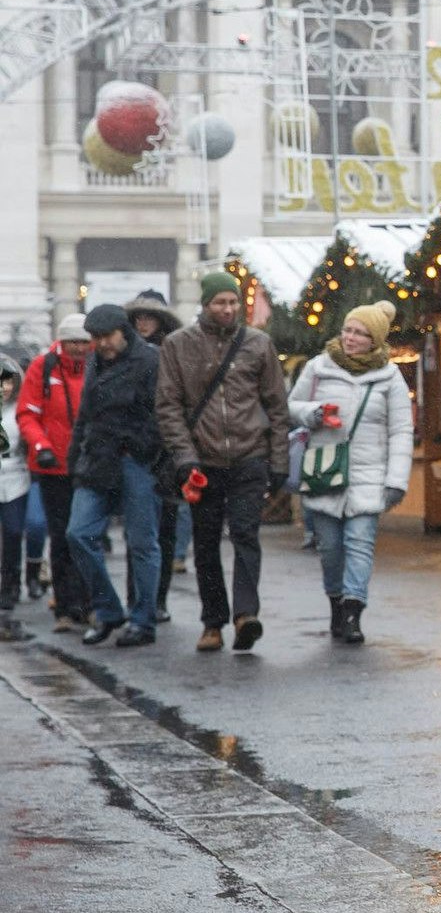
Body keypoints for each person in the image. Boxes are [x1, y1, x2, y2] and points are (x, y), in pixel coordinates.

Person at [157, 271, 292, 654]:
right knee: (206, 542)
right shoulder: (177, 345)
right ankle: (212, 621)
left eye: (233, 302)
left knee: (247, 534)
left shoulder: (258, 345)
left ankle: (245, 615)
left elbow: (276, 407)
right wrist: (185, 459)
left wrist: (278, 461)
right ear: (205, 304)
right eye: (221, 303)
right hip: (203, 460)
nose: (229, 309)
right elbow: (168, 407)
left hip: (250, 455)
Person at [286, 301, 413, 645]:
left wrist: (395, 481)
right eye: (348, 330)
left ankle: (354, 611)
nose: (351, 338)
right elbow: (291, 407)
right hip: (325, 470)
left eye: (360, 333)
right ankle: (335, 604)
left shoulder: (390, 377)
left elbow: (401, 431)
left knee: (360, 544)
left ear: (375, 340)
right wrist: (314, 413)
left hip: (369, 476)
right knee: (330, 549)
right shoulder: (318, 367)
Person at [64, 305, 169, 647]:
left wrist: (141, 447)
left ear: (124, 332)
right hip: (97, 459)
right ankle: (109, 609)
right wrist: (75, 456)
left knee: (142, 543)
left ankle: (143, 620)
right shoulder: (96, 361)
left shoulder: (150, 361)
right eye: (96, 338)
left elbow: (162, 413)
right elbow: (85, 414)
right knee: (78, 533)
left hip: (134, 460)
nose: (101, 344)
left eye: (106, 336)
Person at [19, 314, 92, 632]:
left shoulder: (96, 366)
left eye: (83, 342)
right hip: (53, 467)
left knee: (87, 536)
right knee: (61, 536)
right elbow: (27, 413)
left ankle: (89, 603)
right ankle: (65, 607)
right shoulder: (42, 367)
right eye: (73, 341)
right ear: (62, 342)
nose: (78, 348)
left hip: (88, 467)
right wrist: (41, 446)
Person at [124, 288, 183, 620]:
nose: (144, 323)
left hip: (169, 450)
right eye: (139, 317)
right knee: (139, 529)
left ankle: (158, 598)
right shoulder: (123, 354)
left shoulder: (174, 353)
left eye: (150, 317)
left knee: (166, 529)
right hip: (136, 450)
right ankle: (139, 598)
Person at [0, 359, 31, 612]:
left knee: (12, 532)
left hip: (16, 477)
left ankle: (11, 586)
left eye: (8, 381)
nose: (4, 387)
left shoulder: (20, 410)